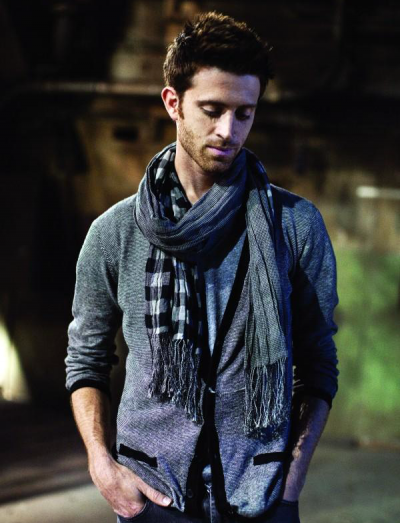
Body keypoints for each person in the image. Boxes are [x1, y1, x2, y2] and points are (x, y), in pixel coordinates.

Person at [65, 11, 338, 523]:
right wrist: (103, 466)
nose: (228, 131)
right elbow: (86, 359)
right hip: (153, 494)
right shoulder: (115, 232)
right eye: (212, 110)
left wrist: (292, 478)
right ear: (173, 102)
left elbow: (318, 359)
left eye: (244, 113)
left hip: (262, 494)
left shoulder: (295, 225)